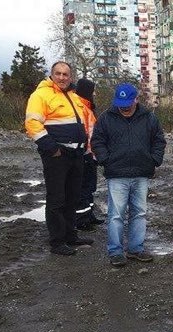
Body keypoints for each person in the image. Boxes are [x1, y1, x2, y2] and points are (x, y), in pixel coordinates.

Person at [91, 83, 166, 267]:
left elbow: (159, 140)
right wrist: (105, 159)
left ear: (136, 99)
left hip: (141, 173)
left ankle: (135, 248)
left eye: (127, 103)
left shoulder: (149, 118)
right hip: (116, 174)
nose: (124, 107)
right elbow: (97, 140)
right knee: (116, 215)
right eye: (120, 103)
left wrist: (154, 160)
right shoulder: (106, 118)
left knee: (139, 213)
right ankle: (115, 251)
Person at [25, 61, 93, 256]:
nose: (62, 77)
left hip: (76, 154)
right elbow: (32, 124)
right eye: (58, 73)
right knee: (56, 199)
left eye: (65, 74)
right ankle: (57, 241)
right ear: (52, 75)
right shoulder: (41, 95)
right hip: (57, 155)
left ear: (70, 76)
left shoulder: (73, 95)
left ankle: (71, 235)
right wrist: (51, 148)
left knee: (72, 197)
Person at [73, 78, 105, 231]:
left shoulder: (87, 106)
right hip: (84, 154)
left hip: (90, 154)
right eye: (93, 91)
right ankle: (81, 220)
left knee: (90, 186)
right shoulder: (80, 106)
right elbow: (85, 131)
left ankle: (89, 215)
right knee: (82, 187)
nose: (95, 94)